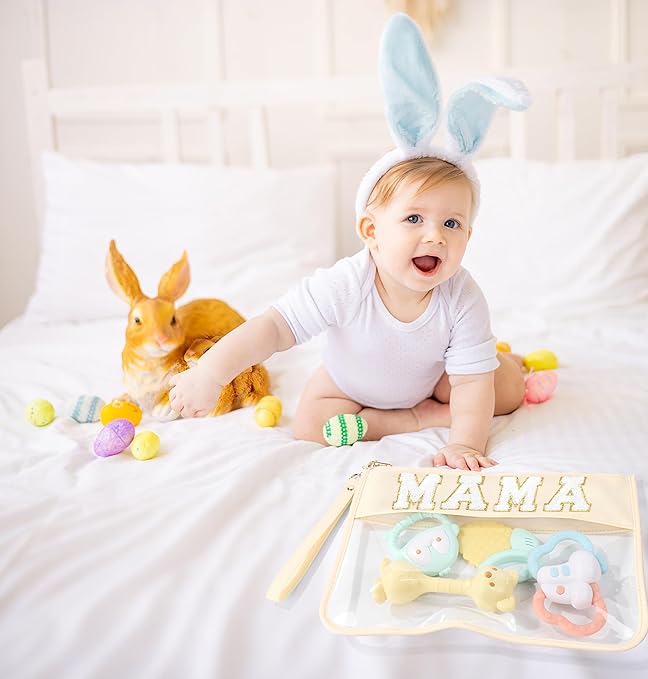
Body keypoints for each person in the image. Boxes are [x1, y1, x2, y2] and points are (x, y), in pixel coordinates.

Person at [168, 13, 532, 470]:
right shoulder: (347, 284)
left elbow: (472, 386)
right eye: (414, 218)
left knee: (503, 388)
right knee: (310, 424)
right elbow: (273, 328)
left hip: (434, 380)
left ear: (468, 235)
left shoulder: (462, 296)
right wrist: (211, 373)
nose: (435, 236)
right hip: (349, 387)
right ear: (371, 232)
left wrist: (465, 443)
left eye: (452, 224)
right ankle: (411, 420)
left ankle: (498, 364)